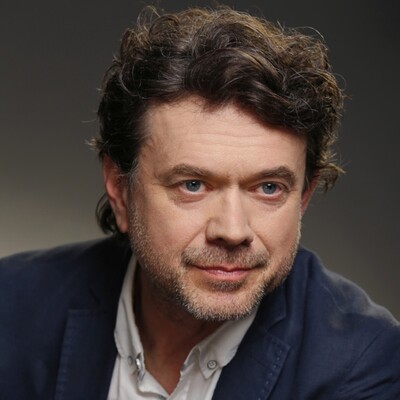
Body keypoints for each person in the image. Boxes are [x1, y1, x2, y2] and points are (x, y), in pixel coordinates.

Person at [1, 5, 399, 400]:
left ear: (304, 197)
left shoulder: (365, 364)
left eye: (269, 188)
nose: (233, 230)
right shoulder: (11, 306)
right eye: (193, 185)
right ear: (120, 189)